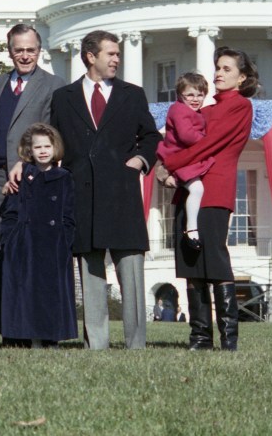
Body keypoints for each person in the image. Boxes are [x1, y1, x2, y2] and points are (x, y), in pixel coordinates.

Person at [49, 30, 161, 350]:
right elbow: (55, 141)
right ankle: (96, 344)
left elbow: (151, 137)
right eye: (110, 54)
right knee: (91, 274)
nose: (116, 59)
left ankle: (135, 344)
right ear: (90, 56)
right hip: (81, 194)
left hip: (122, 194)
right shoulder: (64, 97)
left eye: (117, 54)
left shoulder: (133, 94)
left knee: (132, 275)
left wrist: (140, 160)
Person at [161, 47, 258, 351]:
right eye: (218, 67)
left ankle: (229, 339)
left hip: (214, 189)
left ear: (242, 78)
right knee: (191, 262)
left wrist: (172, 165)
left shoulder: (240, 106)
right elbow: (174, 140)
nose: (218, 73)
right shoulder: (202, 109)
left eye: (227, 69)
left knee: (214, 260)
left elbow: (210, 145)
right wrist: (166, 167)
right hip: (188, 186)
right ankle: (200, 337)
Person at [0, 24, 66, 265]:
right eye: (19, 50)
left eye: (31, 50)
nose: (25, 56)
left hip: (30, 174)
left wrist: (26, 161)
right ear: (10, 52)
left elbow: (53, 133)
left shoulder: (54, 84)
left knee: (27, 243)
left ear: (39, 51)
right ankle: (1, 298)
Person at [0, 123, 76, 348]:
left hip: (54, 244)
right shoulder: (23, 176)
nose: (43, 151)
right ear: (29, 151)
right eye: (37, 147)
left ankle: (51, 338)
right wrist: (11, 239)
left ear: (55, 148)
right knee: (29, 292)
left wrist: (65, 239)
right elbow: (10, 211)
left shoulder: (63, 177)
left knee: (50, 293)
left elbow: (69, 213)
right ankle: (32, 338)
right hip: (26, 243)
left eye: (47, 146)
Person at [156, 73, 214, 250]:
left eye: (200, 94)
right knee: (197, 189)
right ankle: (191, 229)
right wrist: (206, 139)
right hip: (180, 157)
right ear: (180, 95)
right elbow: (187, 135)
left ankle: (192, 227)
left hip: (185, 157)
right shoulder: (179, 109)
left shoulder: (190, 111)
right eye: (190, 95)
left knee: (196, 189)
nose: (195, 99)